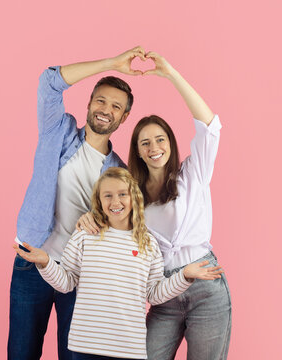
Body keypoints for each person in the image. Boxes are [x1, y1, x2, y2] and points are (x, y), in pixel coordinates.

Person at [77, 51, 232, 360]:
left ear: (170, 143)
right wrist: (87, 219)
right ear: (137, 151)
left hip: (206, 287)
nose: (154, 148)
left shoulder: (193, 174)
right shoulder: (131, 194)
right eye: (145, 143)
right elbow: (107, 217)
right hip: (164, 293)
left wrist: (171, 74)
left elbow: (210, 125)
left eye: (160, 139)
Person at [8, 46, 148, 360]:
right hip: (32, 261)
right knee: (21, 353)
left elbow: (125, 231)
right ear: (89, 103)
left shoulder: (121, 174)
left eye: (115, 106)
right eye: (100, 100)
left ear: (124, 117)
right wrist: (112, 63)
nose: (105, 109)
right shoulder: (58, 130)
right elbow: (49, 81)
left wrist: (100, 222)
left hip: (81, 277)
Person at [14, 168, 224, 360]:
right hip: (84, 346)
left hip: (128, 349)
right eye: (108, 196)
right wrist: (46, 263)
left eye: (122, 194)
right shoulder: (85, 235)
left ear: (133, 197)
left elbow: (154, 293)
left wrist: (185, 275)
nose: (116, 202)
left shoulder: (148, 243)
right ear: (99, 200)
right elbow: (66, 282)